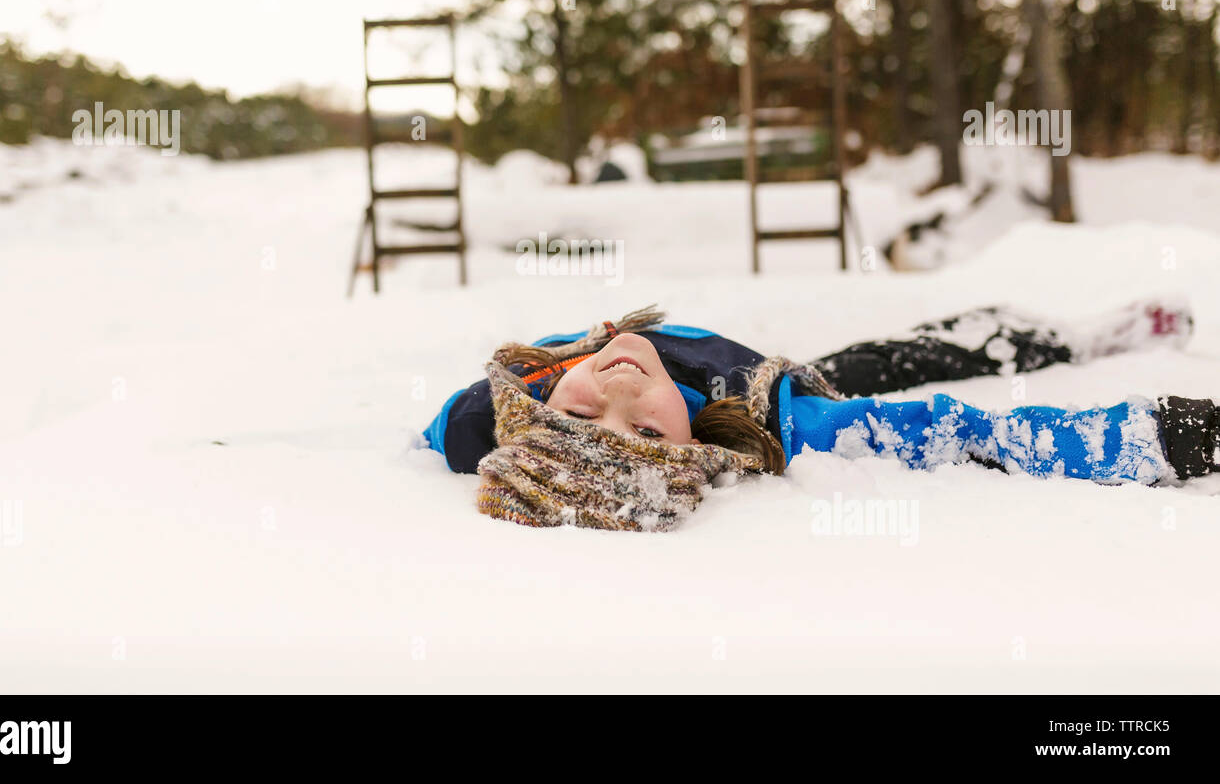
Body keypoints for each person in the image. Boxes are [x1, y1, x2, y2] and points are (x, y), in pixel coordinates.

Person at [423, 301, 1214, 532]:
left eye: (583, 410)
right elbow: (973, 437)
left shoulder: (491, 414)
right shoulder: (790, 426)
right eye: (649, 433)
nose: (620, 394)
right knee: (909, 361)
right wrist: (1173, 434)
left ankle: (1017, 325)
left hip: (736, 361)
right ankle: (1064, 336)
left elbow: (450, 431)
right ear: (700, 449)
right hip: (788, 384)